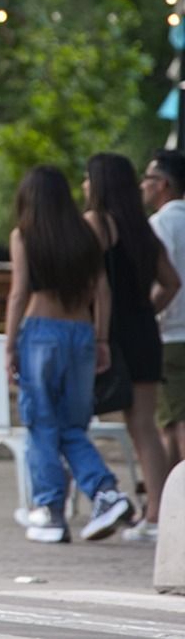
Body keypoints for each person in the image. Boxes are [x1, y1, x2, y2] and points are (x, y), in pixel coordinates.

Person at [5, 165, 135, 544]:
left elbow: (19, 292)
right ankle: (105, 493)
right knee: (71, 427)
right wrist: (102, 340)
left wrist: (10, 344)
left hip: (40, 333)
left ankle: (49, 510)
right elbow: (103, 291)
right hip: (82, 333)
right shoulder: (85, 233)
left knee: (42, 424)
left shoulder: (24, 235)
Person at [84, 152, 180, 543]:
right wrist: (147, 309)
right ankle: (156, 512)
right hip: (144, 331)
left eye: (88, 178)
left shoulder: (97, 222)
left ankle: (138, 509)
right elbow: (171, 282)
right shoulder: (143, 228)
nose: (85, 186)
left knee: (84, 421)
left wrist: (101, 333)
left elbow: (96, 286)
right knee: (145, 427)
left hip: (113, 333)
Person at [143, 149, 185, 478]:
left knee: (174, 422)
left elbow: (164, 282)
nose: (142, 185)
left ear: (163, 184)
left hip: (171, 335)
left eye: (148, 178)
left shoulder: (158, 225)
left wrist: (146, 316)